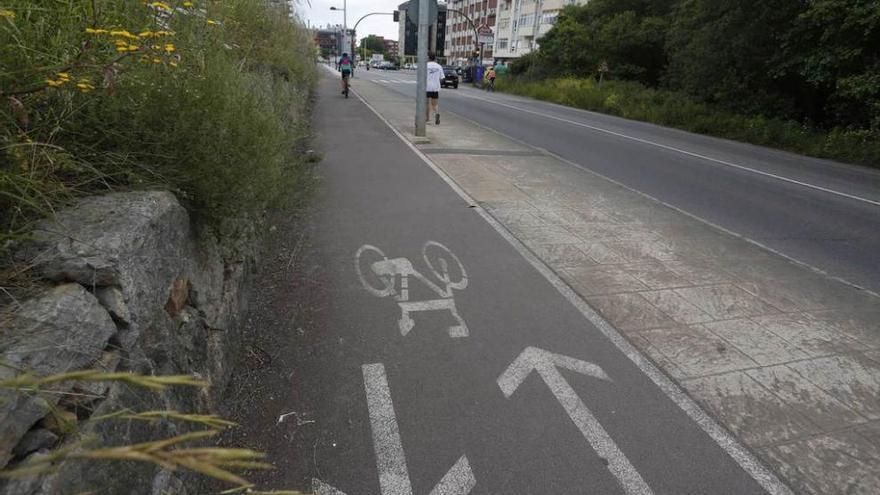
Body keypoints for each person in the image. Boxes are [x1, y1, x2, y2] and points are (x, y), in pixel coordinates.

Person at [426, 52, 443, 125]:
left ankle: (427, 119)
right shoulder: (439, 66)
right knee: (434, 104)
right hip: (435, 87)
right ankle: (437, 113)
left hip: (427, 87)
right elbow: (442, 78)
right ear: (435, 58)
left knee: (427, 103)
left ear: (428, 58)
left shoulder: (426, 66)